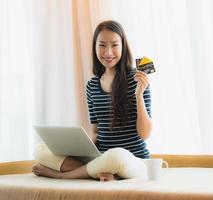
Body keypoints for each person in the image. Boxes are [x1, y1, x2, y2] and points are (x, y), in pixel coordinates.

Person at [32, 20, 152, 181]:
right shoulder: (92, 86)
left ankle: (62, 176)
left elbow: (145, 134)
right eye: (102, 45)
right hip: (101, 158)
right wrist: (78, 148)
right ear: (95, 47)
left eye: (114, 45)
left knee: (116, 155)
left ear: (123, 46)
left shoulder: (138, 79)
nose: (108, 52)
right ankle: (102, 172)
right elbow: (96, 131)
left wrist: (139, 95)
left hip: (132, 161)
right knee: (41, 149)